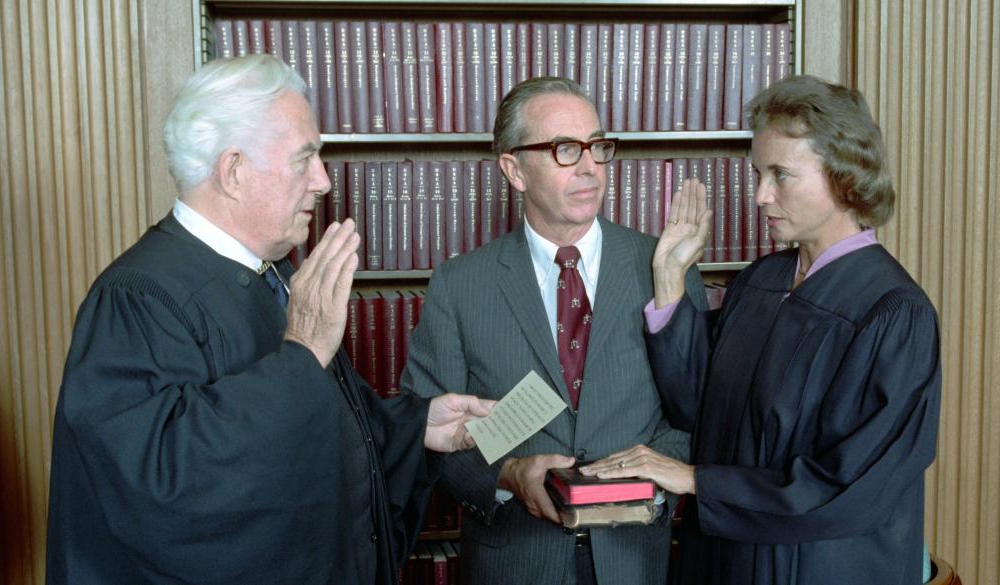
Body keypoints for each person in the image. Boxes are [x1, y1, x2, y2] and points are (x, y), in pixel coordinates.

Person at [45, 54, 492, 585]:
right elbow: (159, 484)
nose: (324, 181)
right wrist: (301, 353)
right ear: (234, 171)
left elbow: (316, 431)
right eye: (305, 159)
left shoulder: (271, 275)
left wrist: (417, 428)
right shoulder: (137, 298)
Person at [581, 75, 942, 584]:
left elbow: (850, 485)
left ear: (845, 175)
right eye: (757, 173)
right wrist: (668, 281)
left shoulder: (893, 314)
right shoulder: (762, 281)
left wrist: (695, 480)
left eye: (781, 175)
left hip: (821, 567)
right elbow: (695, 406)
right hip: (726, 558)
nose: (760, 195)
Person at [401, 76, 706, 585]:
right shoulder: (459, 285)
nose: (590, 166)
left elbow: (697, 410)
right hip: (514, 559)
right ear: (514, 169)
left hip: (635, 558)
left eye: (597, 146)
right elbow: (425, 431)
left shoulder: (667, 267)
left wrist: (646, 485)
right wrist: (506, 476)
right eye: (565, 149)